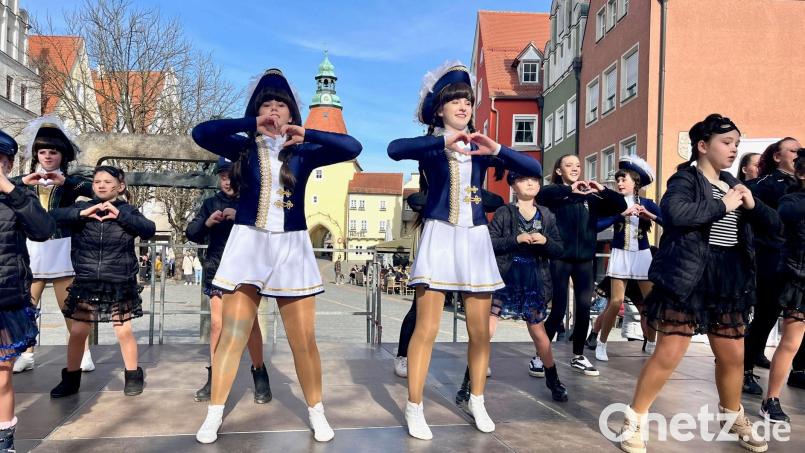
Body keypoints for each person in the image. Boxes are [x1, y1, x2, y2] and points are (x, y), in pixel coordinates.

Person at [191, 68, 362, 443]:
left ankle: (316, 411)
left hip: (292, 245)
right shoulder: (242, 146)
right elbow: (201, 133)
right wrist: (252, 122)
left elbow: (352, 148)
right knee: (233, 335)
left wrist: (307, 133)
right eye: (266, 105)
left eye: (280, 106)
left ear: (291, 115)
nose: (273, 110)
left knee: (303, 340)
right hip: (249, 243)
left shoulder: (303, 151)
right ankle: (214, 412)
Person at [387, 61, 541, 439]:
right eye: (454, 100)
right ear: (440, 109)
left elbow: (531, 167)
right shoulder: (432, 146)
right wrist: (442, 141)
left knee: (480, 332)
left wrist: (498, 148)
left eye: (467, 100)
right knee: (427, 328)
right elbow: (394, 149)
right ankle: (415, 405)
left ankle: (477, 398)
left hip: (474, 238)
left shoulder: (481, 146)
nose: (463, 106)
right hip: (440, 234)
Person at [617, 114, 777, 453]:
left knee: (733, 355)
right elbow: (676, 215)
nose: (734, 149)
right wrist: (723, 205)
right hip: (688, 275)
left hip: (727, 277)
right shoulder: (685, 179)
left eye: (736, 142)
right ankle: (633, 420)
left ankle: (732, 418)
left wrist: (752, 204)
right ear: (703, 146)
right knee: (669, 353)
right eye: (726, 142)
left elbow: (773, 225)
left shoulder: (734, 183)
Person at [457, 169, 567, 404]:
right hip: (504, 277)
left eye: (535, 180)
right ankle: (468, 382)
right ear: (513, 186)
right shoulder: (504, 212)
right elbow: (490, 242)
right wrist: (515, 240)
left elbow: (559, 248)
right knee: (487, 331)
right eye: (524, 179)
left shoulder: (547, 215)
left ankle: (553, 379)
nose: (530, 183)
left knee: (539, 332)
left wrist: (546, 241)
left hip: (534, 279)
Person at [49, 166, 156, 398]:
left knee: (123, 330)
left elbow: (149, 229)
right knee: (78, 331)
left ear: (120, 186)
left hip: (119, 280)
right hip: (87, 280)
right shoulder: (82, 207)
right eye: (97, 181)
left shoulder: (128, 210)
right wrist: (81, 214)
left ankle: (132, 375)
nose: (101, 185)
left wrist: (120, 215)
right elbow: (51, 218)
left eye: (108, 181)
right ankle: (71, 378)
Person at [12, 115, 95, 374]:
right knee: (28, 304)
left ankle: (83, 352)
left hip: (63, 249)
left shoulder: (72, 182)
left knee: (69, 306)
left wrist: (66, 183)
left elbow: (99, 190)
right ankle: (26, 352)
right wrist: (22, 182)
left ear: (62, 156)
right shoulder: (25, 181)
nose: (48, 157)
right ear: (37, 155)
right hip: (31, 250)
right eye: (43, 152)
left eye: (53, 152)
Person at [185, 157, 270, 404]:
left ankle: (259, 371)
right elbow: (191, 232)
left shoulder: (253, 200)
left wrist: (241, 216)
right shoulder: (210, 202)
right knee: (217, 325)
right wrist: (207, 222)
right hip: (217, 267)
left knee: (250, 324)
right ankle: (215, 376)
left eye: (232, 176)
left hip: (247, 269)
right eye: (223, 176)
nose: (227, 182)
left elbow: (267, 229)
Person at [537, 154, 626, 376]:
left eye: (578, 165)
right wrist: (570, 190)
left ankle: (578, 355)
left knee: (584, 308)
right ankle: (540, 356)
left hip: (585, 259)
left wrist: (602, 190)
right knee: (557, 309)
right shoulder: (557, 195)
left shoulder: (591, 196)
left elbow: (620, 204)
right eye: (569, 165)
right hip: (560, 257)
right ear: (559, 171)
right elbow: (542, 194)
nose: (575, 169)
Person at [0, 129, 56, 452]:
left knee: (2, 373)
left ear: (8, 164)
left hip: (6, 299)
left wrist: (11, 188)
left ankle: (4, 441)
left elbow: (44, 230)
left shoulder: (20, 198)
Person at [743, 137, 804, 395]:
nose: (798, 152)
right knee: (766, 315)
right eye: (792, 149)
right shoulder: (766, 184)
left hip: (797, 262)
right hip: (772, 258)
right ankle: (744, 370)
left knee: (798, 322)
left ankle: (799, 370)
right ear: (778, 157)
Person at [587, 156, 662, 361]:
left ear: (636, 182)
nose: (619, 183)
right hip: (620, 254)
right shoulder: (613, 204)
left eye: (623, 179)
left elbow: (669, 223)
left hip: (643, 255)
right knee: (616, 301)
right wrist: (620, 215)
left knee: (651, 302)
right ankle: (601, 343)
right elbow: (595, 226)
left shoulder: (648, 203)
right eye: (618, 180)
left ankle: (652, 342)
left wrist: (650, 215)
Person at [759, 148, 805, 423]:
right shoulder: (791, 199)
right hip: (798, 278)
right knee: (791, 342)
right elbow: (785, 214)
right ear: (800, 173)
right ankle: (770, 400)